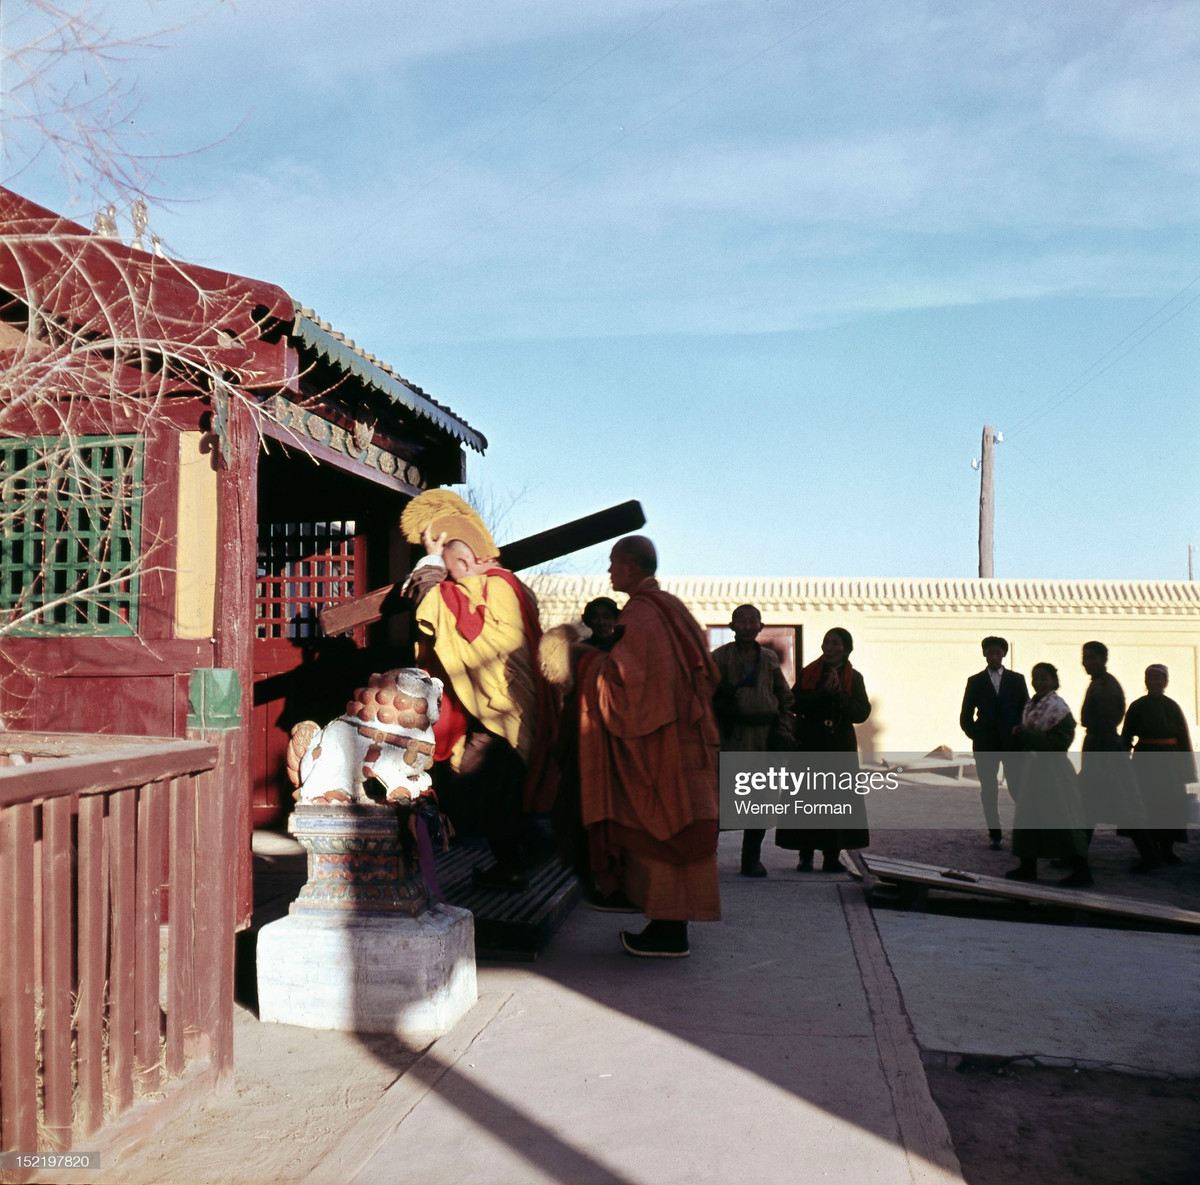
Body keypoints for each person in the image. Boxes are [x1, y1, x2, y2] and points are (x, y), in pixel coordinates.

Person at [398, 489, 557, 889]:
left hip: (501, 714)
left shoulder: (488, 588)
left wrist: (432, 563)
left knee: (473, 782)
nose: (454, 580)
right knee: (502, 791)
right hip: (514, 710)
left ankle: (534, 849)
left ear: (467, 561)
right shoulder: (513, 587)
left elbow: (439, 607)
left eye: (455, 570)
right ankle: (513, 866)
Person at [576, 536, 722, 957]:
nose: (608, 572)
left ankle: (668, 930)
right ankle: (668, 925)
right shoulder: (670, 606)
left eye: (613, 564)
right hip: (685, 739)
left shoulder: (642, 614)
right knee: (683, 821)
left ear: (631, 568)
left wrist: (588, 667)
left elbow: (632, 687)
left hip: (660, 744)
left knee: (661, 821)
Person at [775, 627, 870, 872]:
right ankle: (805, 855)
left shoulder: (854, 677)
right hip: (810, 741)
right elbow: (794, 703)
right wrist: (821, 693)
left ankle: (831, 857)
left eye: (836, 643)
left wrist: (840, 696)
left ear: (846, 649)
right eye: (827, 642)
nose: (830, 647)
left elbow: (862, 712)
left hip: (839, 744)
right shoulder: (809, 673)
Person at [711, 604, 794, 877]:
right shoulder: (718, 658)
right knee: (721, 801)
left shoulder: (770, 659)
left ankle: (751, 859)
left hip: (764, 739)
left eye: (752, 621)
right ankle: (705, 860)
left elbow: (785, 698)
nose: (747, 626)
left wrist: (783, 731)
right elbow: (702, 696)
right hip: (731, 738)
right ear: (732, 626)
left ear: (761, 626)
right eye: (741, 621)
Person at [1005, 662, 1091, 887]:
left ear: (1054, 681)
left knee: (1063, 820)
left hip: (1054, 772)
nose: (1039, 682)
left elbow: (1059, 743)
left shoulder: (1059, 710)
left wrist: (1026, 736)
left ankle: (1081, 871)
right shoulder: (1033, 706)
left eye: (1044, 678)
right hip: (1034, 770)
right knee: (1028, 818)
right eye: (1035, 677)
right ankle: (1027, 866)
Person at [1078, 642, 1155, 871]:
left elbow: (1106, 720)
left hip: (1105, 749)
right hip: (1099, 746)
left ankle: (1149, 855)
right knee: (1088, 805)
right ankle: (1077, 853)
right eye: (1085, 657)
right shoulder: (1098, 684)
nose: (1086, 662)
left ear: (1103, 659)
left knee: (1123, 803)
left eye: (1091, 658)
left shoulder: (1106, 687)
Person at [1121, 664, 1196, 867]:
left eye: (1158, 678)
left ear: (1166, 681)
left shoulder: (1172, 707)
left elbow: (1183, 739)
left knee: (1170, 804)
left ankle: (1168, 849)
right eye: (1150, 678)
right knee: (1147, 803)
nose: (1153, 682)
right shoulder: (1137, 706)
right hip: (1144, 762)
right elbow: (1126, 735)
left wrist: (1185, 770)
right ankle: (1149, 848)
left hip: (1170, 763)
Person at [959, 637, 1029, 850]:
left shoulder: (1017, 680)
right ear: (984, 654)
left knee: (1018, 788)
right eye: (990, 652)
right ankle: (995, 833)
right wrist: (976, 735)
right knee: (989, 790)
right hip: (986, 744)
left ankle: (1024, 831)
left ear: (1004, 654)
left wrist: (1018, 731)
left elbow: (1025, 709)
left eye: (998, 652)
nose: (994, 656)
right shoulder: (975, 681)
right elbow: (965, 714)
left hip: (1012, 744)